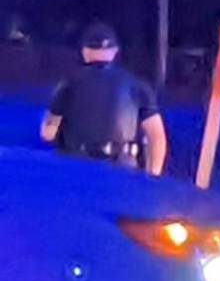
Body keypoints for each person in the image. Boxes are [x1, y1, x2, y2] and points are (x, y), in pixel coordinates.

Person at [41, 23, 167, 174]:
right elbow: (157, 136)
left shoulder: (68, 84)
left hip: (78, 169)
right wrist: (153, 176)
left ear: (85, 51)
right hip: (124, 168)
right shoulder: (137, 85)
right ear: (115, 51)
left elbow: (48, 133)